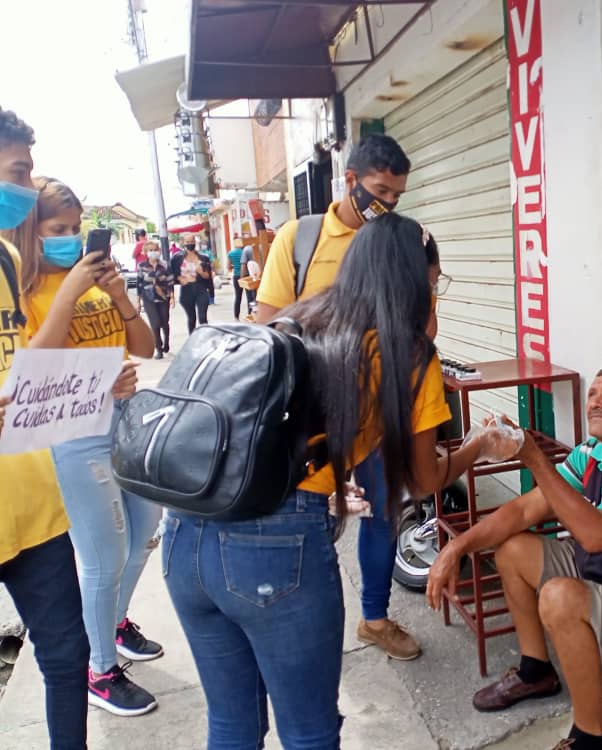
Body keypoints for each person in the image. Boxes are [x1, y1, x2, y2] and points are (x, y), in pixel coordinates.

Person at [161, 213, 489, 749]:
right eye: (433, 283)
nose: (435, 295)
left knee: (232, 723)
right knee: (310, 732)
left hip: (185, 539)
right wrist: (480, 445)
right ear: (414, 282)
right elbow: (426, 478)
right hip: (274, 552)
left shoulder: (296, 320)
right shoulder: (406, 353)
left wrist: (329, 485)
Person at [427, 366, 602, 750]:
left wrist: (530, 454)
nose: (594, 401)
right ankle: (536, 670)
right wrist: (456, 547)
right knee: (512, 548)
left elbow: (593, 535)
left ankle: (592, 738)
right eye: (592, 393)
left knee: (559, 596)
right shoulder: (593, 454)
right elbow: (523, 512)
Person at [254, 134, 423, 660]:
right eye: (379, 192)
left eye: (396, 196)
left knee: (383, 513)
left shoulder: (397, 239)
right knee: (312, 520)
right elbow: (269, 326)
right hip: (313, 418)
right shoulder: (299, 239)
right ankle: (303, 621)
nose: (387, 204)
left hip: (378, 410)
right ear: (349, 181)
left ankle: (375, 617)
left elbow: (416, 326)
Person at [11, 175, 166, 718]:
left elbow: (143, 347)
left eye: (77, 229)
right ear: (32, 233)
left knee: (145, 530)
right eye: (58, 229)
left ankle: (113, 623)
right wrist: (73, 290)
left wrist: (122, 300)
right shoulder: (26, 291)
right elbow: (32, 372)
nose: (71, 239)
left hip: (123, 422)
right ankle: (97, 671)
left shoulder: (98, 283)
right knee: (104, 556)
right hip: (72, 435)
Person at [0, 107, 91, 750]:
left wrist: (85, 386)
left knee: (66, 660)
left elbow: (25, 366)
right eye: (17, 171)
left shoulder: (6, 258)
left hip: (34, 507)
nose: (27, 188)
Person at [136, 240, 174, 358]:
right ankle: (159, 348)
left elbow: (170, 281)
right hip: (148, 298)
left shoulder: (165, 265)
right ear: (146, 252)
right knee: (155, 323)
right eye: (150, 250)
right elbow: (139, 284)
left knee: (164, 322)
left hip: (163, 297)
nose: (153, 252)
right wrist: (138, 301)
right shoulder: (142, 266)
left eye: (155, 250)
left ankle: (166, 342)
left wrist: (172, 297)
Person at [171, 231, 211, 333]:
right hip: (186, 290)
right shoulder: (177, 258)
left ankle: (205, 339)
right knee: (191, 318)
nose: (190, 244)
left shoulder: (203, 258)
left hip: (201, 289)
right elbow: (172, 275)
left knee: (202, 318)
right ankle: (192, 340)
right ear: (183, 243)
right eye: (187, 242)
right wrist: (180, 279)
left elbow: (208, 276)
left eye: (192, 241)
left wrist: (201, 272)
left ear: (195, 242)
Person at [226, 237, 247, 321]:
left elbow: (228, 267)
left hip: (236, 276)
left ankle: (236, 316)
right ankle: (250, 313)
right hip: (246, 276)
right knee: (250, 296)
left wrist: (234, 266)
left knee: (238, 297)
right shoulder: (245, 252)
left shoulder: (230, 253)